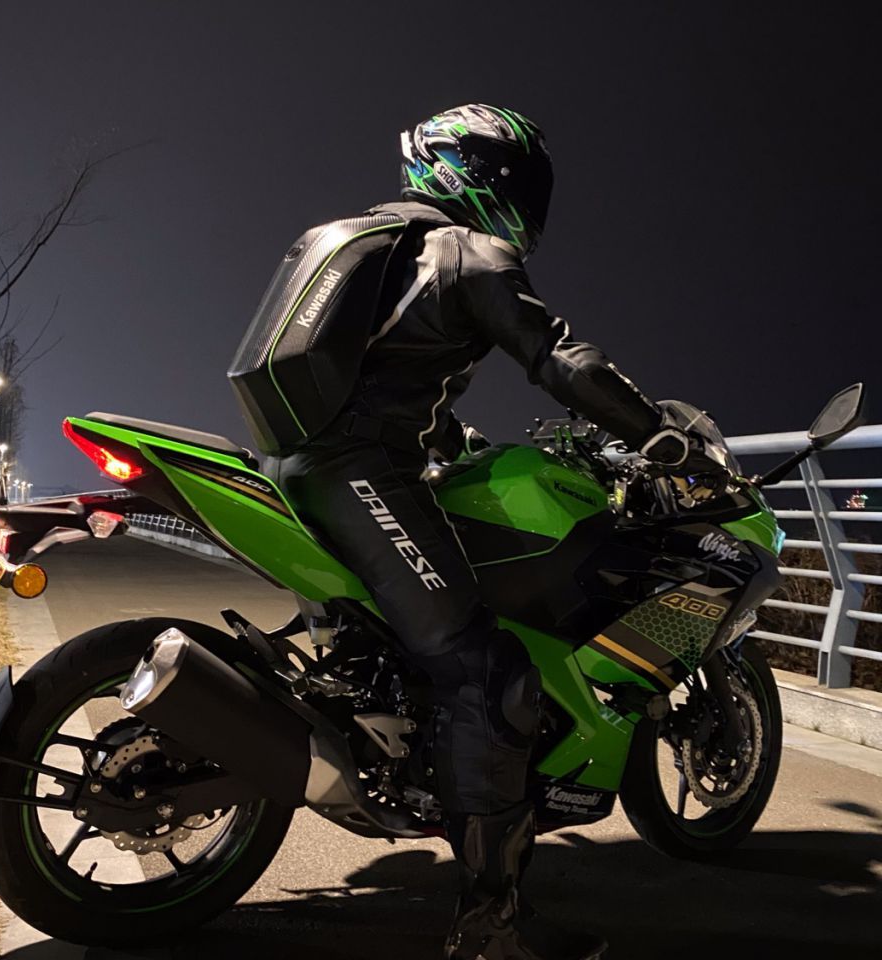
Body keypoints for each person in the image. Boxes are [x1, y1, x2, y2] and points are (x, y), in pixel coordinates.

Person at [265, 104, 708, 960]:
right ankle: (490, 928)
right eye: (523, 183)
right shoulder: (465, 249)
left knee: (408, 653)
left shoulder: (359, 238)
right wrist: (658, 433)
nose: (530, 207)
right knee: (489, 675)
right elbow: (559, 358)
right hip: (363, 474)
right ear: (483, 177)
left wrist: (444, 441)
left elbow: (377, 372)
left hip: (298, 464)